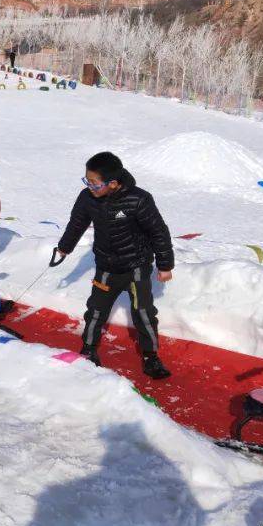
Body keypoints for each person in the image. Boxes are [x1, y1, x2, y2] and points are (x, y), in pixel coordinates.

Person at [54, 152, 174, 379]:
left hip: (136, 266)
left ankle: (151, 356)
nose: (89, 186)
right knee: (96, 310)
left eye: (94, 183)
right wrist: (64, 247)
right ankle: (88, 350)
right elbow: (77, 223)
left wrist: (165, 265)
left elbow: (158, 232)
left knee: (144, 312)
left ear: (113, 183)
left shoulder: (139, 199)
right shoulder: (88, 197)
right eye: (86, 180)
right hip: (106, 265)